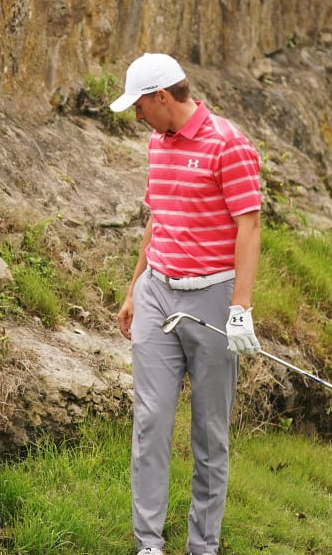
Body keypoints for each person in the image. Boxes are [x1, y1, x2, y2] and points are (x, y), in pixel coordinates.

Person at [111, 53, 262, 555]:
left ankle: (203, 545)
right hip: (158, 291)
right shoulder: (157, 143)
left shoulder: (229, 144)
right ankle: (148, 544)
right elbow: (158, 221)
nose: (136, 117)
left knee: (209, 432)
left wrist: (240, 307)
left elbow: (249, 226)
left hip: (214, 298)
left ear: (161, 97)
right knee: (150, 420)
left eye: (139, 106)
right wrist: (135, 288)